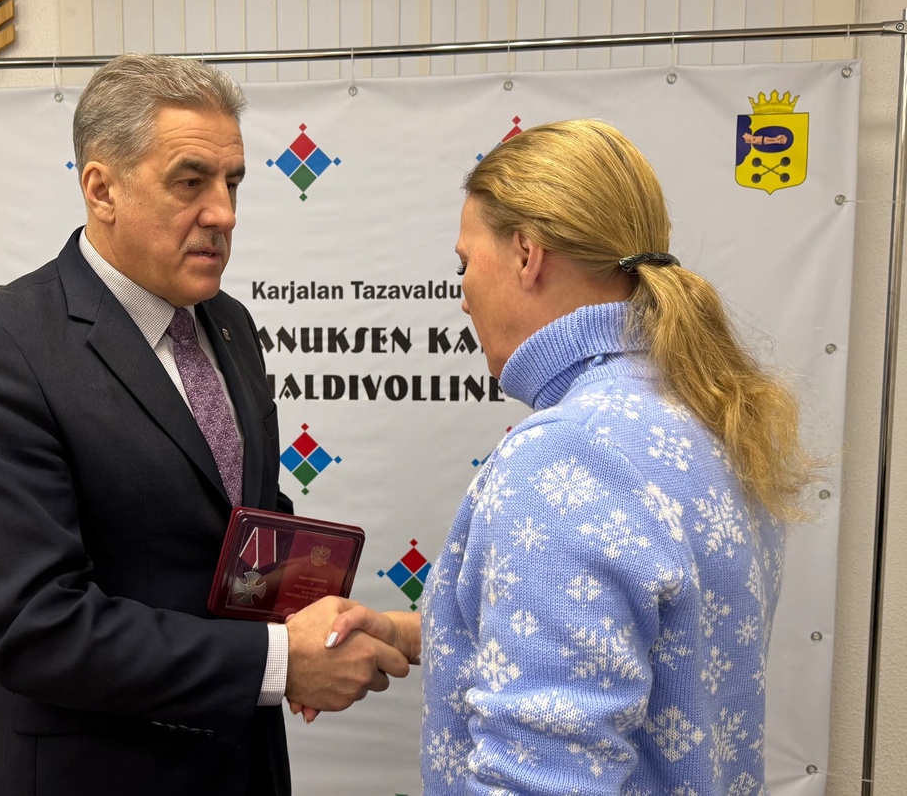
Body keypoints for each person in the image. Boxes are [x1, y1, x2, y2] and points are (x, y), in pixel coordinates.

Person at [0, 53, 409, 796]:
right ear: (102, 188)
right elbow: (35, 627)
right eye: (190, 182)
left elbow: (242, 528)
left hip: (241, 764)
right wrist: (281, 662)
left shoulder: (230, 324)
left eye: (232, 182)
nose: (224, 213)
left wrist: (325, 626)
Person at [327, 119, 816, 795]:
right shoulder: (706, 414)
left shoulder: (567, 454)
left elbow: (541, 779)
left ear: (527, 253)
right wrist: (415, 630)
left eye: (465, 264)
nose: (462, 295)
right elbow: (638, 650)